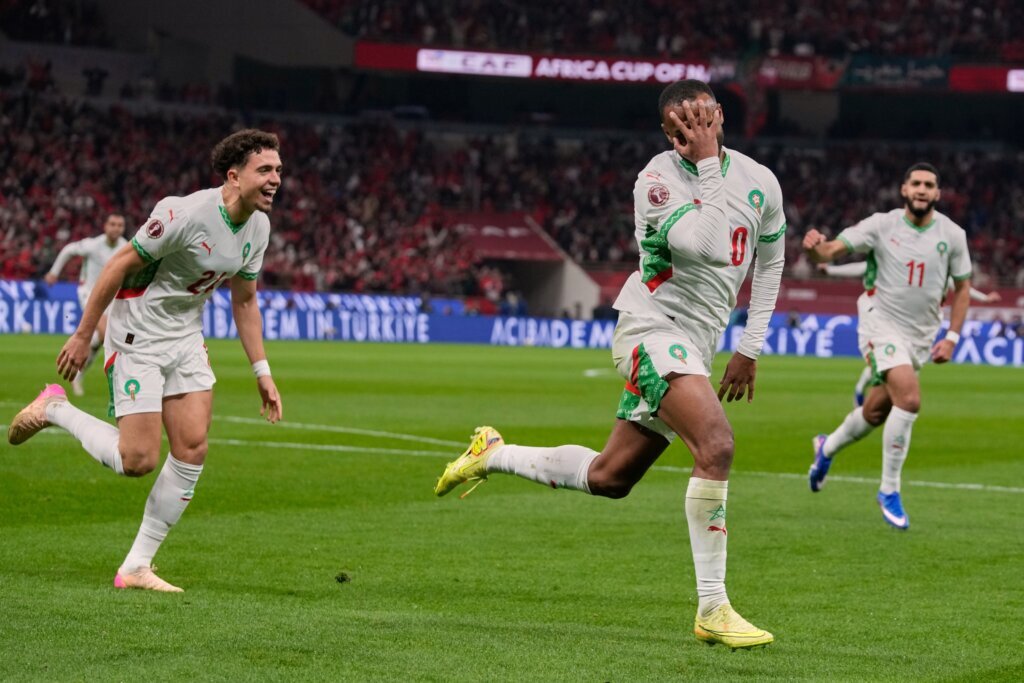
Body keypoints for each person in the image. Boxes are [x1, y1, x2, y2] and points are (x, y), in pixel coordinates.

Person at [434, 80, 786, 650]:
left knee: (610, 477)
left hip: (698, 344)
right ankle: (713, 607)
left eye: (702, 117)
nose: (693, 131)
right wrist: (706, 164)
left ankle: (492, 454)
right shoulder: (656, 181)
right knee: (717, 445)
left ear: (720, 114)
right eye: (680, 125)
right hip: (651, 330)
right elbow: (709, 246)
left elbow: (770, 264)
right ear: (668, 133)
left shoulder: (760, 180)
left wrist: (751, 346)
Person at [8, 129, 284, 592]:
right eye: (265, 170)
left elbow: (245, 300)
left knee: (192, 448)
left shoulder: (259, 227)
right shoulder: (184, 213)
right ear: (234, 176)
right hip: (138, 334)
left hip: (186, 337)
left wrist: (263, 372)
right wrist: (83, 335)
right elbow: (118, 266)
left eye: (278, 170)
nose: (276, 179)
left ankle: (137, 566)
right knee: (137, 460)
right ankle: (54, 409)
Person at [803, 162, 972, 530]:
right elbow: (831, 251)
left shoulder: (953, 235)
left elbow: (963, 288)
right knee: (909, 399)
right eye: (916, 183)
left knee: (876, 411)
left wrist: (952, 337)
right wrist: (816, 250)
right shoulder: (881, 225)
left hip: (920, 336)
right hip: (879, 322)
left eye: (929, 184)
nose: (922, 189)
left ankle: (826, 448)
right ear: (904, 190)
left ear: (938, 193)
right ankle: (889, 490)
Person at [817, 260, 999, 407]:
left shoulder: (937, 268)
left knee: (910, 367)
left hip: (924, 328)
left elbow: (960, 286)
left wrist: (984, 298)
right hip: (898, 321)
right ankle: (869, 392)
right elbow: (864, 267)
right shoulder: (896, 259)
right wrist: (831, 270)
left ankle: (893, 401)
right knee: (890, 361)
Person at [45, 213, 128, 395]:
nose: (116, 228)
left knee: (98, 339)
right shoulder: (92, 245)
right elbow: (68, 250)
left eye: (120, 225)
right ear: (105, 226)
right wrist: (54, 272)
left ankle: (77, 373)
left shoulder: (125, 247)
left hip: (112, 298)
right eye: (112, 224)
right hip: (89, 294)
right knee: (106, 332)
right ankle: (119, 381)